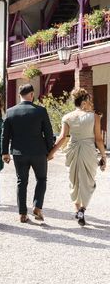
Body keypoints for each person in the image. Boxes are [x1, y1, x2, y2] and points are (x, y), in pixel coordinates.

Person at [48, 88, 106, 226]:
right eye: (89, 100)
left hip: (73, 150)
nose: (90, 103)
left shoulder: (67, 117)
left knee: (74, 181)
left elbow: (62, 138)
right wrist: (104, 156)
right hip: (88, 151)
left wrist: (50, 154)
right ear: (84, 102)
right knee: (89, 182)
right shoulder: (95, 116)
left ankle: (78, 209)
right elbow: (98, 139)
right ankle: (83, 209)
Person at [2, 84, 54, 223]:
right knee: (41, 179)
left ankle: (22, 214)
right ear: (32, 94)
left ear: (20, 95)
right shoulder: (41, 111)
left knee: (21, 182)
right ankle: (37, 206)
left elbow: (5, 134)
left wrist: (4, 152)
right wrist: (50, 151)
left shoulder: (10, 111)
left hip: (19, 153)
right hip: (39, 152)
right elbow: (48, 133)